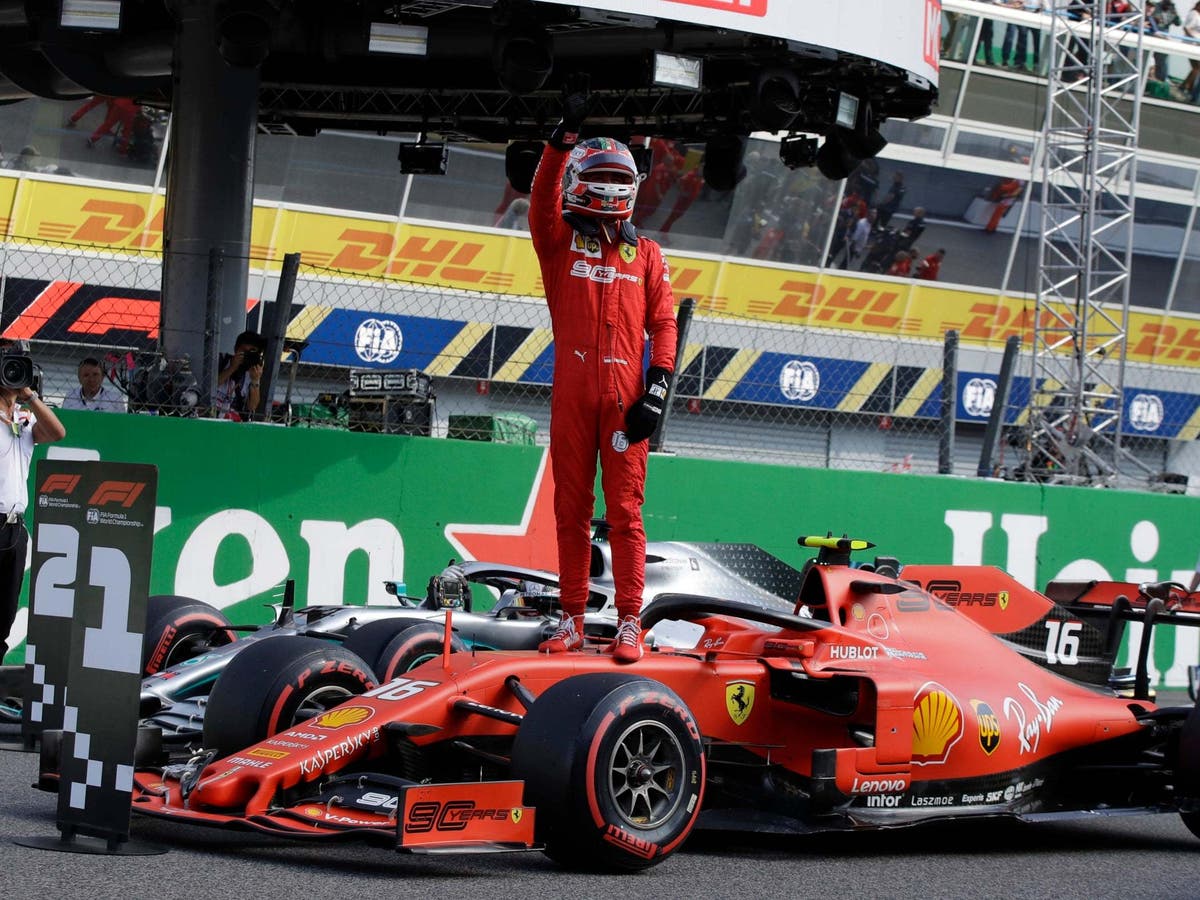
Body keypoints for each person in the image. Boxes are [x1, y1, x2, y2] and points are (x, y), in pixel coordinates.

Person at [528, 93, 678, 663]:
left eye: (617, 178)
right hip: (572, 394)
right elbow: (542, 201)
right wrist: (558, 141)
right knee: (570, 507)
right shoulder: (559, 243)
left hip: (626, 401)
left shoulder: (649, 255)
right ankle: (569, 619)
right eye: (601, 177)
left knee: (625, 512)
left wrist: (657, 392)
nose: (610, 187)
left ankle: (630, 622)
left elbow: (664, 325)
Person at [0, 344, 66, 662]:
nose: (11, 372)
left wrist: (30, 397)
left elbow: (57, 432)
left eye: (17, 366)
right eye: (6, 366)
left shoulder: (23, 421)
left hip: (15, 528)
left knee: (4, 616)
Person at [214, 330, 266, 421]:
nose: (247, 356)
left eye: (251, 353)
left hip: (233, 420)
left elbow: (252, 406)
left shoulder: (253, 371)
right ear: (235, 349)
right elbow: (209, 388)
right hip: (211, 412)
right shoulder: (221, 360)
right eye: (244, 352)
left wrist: (255, 380)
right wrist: (232, 368)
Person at [61, 357, 128, 413]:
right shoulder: (70, 396)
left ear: (102, 377)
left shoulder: (115, 399)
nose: (91, 379)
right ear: (79, 378)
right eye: (86, 375)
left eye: (95, 374)